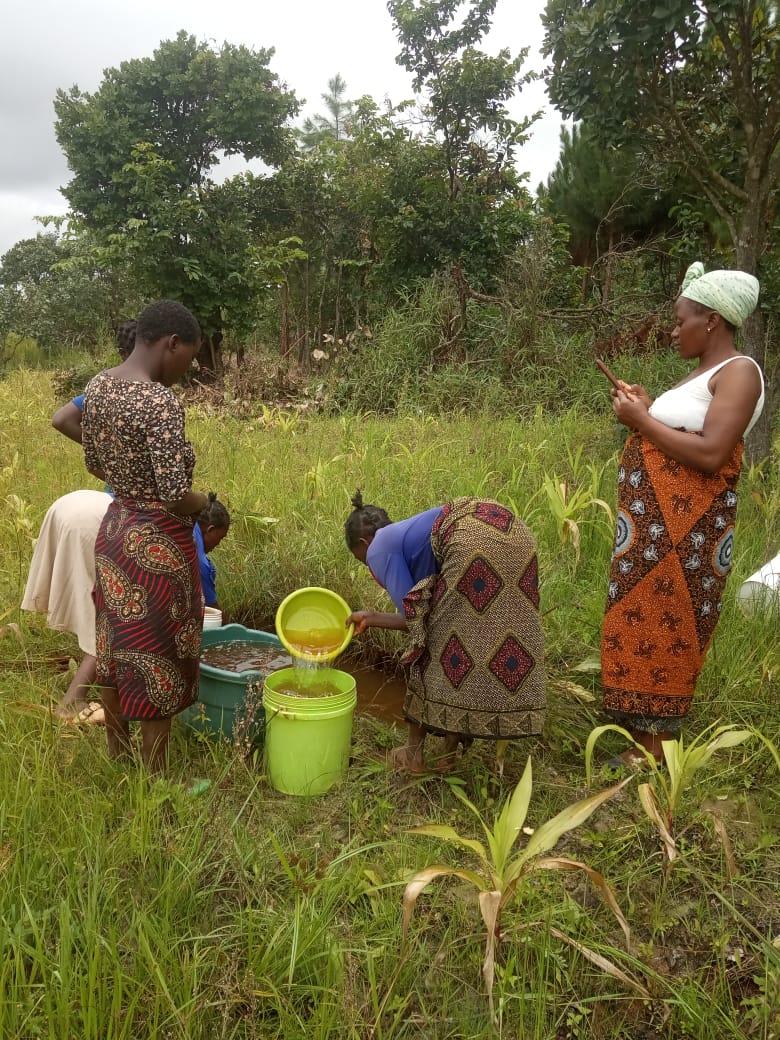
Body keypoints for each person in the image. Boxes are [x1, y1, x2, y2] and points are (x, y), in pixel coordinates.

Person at [602, 262, 764, 767]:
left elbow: (713, 453)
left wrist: (641, 420)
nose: (674, 332)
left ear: (711, 320)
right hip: (652, 534)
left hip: (687, 537)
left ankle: (656, 753)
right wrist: (645, 409)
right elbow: (677, 432)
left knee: (672, 631)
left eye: (680, 321)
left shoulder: (740, 372)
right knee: (638, 625)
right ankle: (640, 740)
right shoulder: (699, 375)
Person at [82, 300, 207, 771]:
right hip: (156, 540)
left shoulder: (98, 386)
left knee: (115, 650)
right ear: (172, 343)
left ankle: (119, 760)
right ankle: (158, 781)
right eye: (188, 359)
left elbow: (95, 463)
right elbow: (174, 494)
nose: (185, 370)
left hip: (115, 531)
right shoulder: (159, 402)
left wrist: (131, 485)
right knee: (160, 655)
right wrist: (205, 502)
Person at [345, 491, 546, 773]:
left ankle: (412, 755)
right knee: (466, 644)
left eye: (362, 561)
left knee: (428, 648)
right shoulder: (411, 535)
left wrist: (375, 616)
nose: (370, 565)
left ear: (364, 543)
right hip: (512, 530)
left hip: (469, 540)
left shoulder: (378, 547)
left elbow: (415, 621)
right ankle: (449, 751)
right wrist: (371, 617)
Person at [21, 489, 112, 723]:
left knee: (92, 607)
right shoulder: (188, 533)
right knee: (110, 621)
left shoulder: (185, 513)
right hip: (92, 523)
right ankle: (71, 703)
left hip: (70, 505)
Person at [51, 319, 137, 445]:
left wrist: (100, 447)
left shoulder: (105, 385)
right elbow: (61, 420)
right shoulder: (109, 386)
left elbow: (61, 420)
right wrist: (102, 447)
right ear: (123, 353)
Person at [194, 493, 231, 608]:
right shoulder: (200, 563)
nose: (218, 544)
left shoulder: (188, 525)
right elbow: (211, 609)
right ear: (211, 530)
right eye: (220, 538)